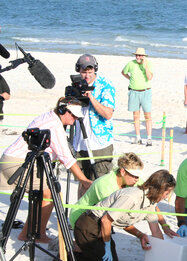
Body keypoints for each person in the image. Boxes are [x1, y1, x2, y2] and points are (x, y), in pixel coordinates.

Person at [0, 97, 92, 243]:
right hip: (18, 162)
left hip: (14, 159)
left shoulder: (50, 117)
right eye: (73, 115)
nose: (75, 119)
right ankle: (36, 234)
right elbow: (66, 157)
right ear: (63, 111)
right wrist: (84, 180)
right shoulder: (54, 124)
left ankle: (31, 232)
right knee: (50, 193)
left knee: (46, 192)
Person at [73, 169, 175, 261]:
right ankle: (69, 258)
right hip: (89, 225)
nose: (166, 197)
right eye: (166, 193)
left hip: (102, 227)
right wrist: (107, 245)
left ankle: (82, 250)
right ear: (158, 189)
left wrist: (162, 257)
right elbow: (106, 220)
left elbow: (156, 231)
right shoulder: (132, 197)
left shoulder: (151, 202)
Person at [69, 152, 177, 237]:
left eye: (138, 176)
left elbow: (151, 202)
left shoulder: (134, 179)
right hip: (81, 217)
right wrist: (139, 235)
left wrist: (164, 225)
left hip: (101, 219)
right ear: (123, 172)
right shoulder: (106, 185)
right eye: (135, 176)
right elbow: (116, 218)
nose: (137, 179)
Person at [72, 54, 116, 197]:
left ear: (95, 70)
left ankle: (97, 217)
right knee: (83, 183)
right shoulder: (76, 85)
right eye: (84, 72)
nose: (86, 76)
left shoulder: (105, 86)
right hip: (79, 143)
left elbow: (108, 114)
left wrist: (91, 98)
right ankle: (80, 217)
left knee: (100, 185)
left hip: (99, 144)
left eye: (90, 72)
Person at [122, 48, 154, 146]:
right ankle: (138, 138)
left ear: (144, 56)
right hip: (134, 92)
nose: (138, 57)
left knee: (147, 116)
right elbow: (123, 72)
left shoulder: (148, 63)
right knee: (136, 115)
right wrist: (130, 78)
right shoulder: (131, 63)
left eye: (140, 55)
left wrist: (145, 67)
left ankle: (149, 138)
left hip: (145, 92)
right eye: (137, 55)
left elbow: (150, 77)